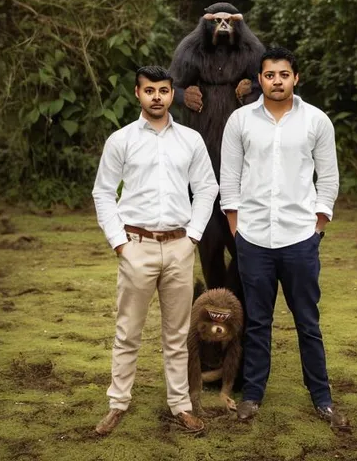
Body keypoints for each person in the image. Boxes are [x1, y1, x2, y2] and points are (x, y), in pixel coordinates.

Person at [220, 47, 349, 428]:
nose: (277, 80)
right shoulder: (240, 121)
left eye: (284, 74)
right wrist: (235, 226)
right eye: (270, 74)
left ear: (296, 78)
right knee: (258, 321)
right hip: (254, 237)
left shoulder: (316, 121)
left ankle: (321, 398)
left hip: (299, 237)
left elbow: (328, 177)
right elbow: (229, 176)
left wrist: (318, 224)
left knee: (307, 320)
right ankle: (253, 395)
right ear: (259, 79)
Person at [92, 66, 219, 435]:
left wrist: (193, 236)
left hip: (179, 246)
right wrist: (119, 243)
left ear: (171, 93)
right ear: (138, 93)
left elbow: (207, 188)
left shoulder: (190, 140)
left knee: (177, 336)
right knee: (127, 331)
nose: (157, 97)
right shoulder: (121, 140)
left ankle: (179, 405)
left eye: (164, 90)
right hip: (136, 247)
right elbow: (103, 192)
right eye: (150, 90)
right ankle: (118, 404)